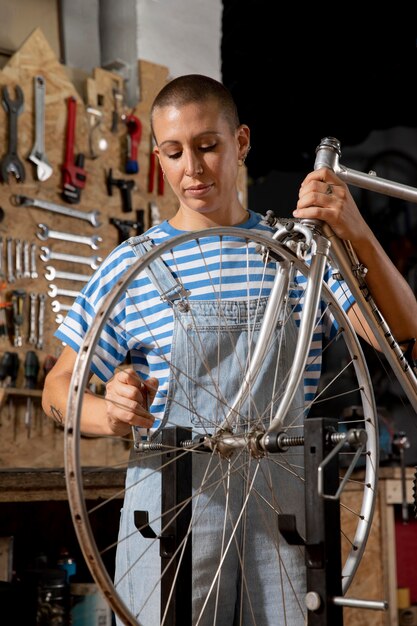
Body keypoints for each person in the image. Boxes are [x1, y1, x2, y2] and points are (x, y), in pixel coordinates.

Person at [42, 74, 417, 625]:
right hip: (169, 511)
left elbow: (402, 333)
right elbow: (57, 390)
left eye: (207, 146)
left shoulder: (297, 259)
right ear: (158, 158)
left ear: (241, 142)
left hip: (283, 514)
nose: (192, 169)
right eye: (174, 152)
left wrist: (354, 230)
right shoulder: (129, 268)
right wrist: (111, 412)